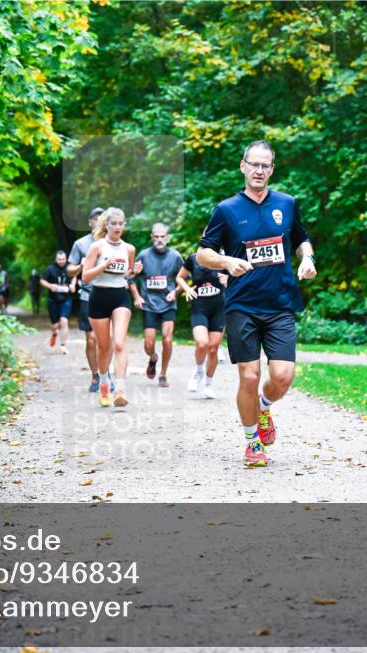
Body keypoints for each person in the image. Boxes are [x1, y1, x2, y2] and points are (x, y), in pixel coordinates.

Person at [196, 140, 317, 467]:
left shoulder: (287, 204)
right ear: (243, 167)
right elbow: (202, 253)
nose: (259, 170)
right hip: (241, 305)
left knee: (282, 376)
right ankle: (252, 442)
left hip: (280, 304)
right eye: (254, 164)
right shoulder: (226, 209)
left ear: (271, 169)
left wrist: (307, 258)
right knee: (248, 376)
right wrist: (225, 262)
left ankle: (263, 407)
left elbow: (301, 238)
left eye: (265, 165)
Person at [82, 208, 139, 408]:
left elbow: (127, 275)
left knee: (120, 343)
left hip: (120, 297)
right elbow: (85, 276)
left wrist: (134, 272)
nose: (117, 227)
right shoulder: (97, 247)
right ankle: (104, 382)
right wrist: (103, 265)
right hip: (98, 296)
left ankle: (120, 390)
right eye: (113, 223)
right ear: (106, 225)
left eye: (120, 223)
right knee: (104, 347)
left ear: (124, 225)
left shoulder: (129, 249)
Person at [129, 224, 183, 388]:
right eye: (156, 236)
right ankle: (153, 358)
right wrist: (137, 297)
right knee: (148, 344)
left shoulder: (175, 256)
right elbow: (130, 277)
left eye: (162, 236)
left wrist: (176, 291)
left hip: (168, 304)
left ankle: (163, 374)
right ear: (152, 237)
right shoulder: (144, 255)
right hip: (149, 304)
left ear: (167, 237)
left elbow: (184, 277)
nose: (159, 239)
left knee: (167, 339)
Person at [176, 252, 228, 399]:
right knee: (202, 343)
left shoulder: (224, 258)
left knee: (213, 349)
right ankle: (199, 371)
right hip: (199, 307)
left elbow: (240, 277)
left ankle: (208, 384)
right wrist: (187, 288)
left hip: (219, 308)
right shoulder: (193, 258)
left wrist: (229, 280)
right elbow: (180, 277)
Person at [68, 207, 108, 392]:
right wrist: (80, 266)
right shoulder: (80, 244)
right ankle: (95, 376)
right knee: (91, 339)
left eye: (102, 219)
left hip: (109, 293)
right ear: (90, 222)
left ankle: (106, 375)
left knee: (107, 340)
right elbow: (69, 270)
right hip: (88, 295)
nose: (98, 222)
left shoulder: (114, 243)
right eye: (95, 219)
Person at [40, 250, 74, 354]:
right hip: (53, 300)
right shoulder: (50, 269)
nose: (61, 261)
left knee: (64, 321)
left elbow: (74, 276)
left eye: (63, 259)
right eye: (59, 259)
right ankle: (54, 334)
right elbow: (42, 280)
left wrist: (72, 285)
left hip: (66, 299)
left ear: (66, 258)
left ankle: (63, 345)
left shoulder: (69, 268)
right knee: (55, 326)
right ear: (56, 259)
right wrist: (50, 286)